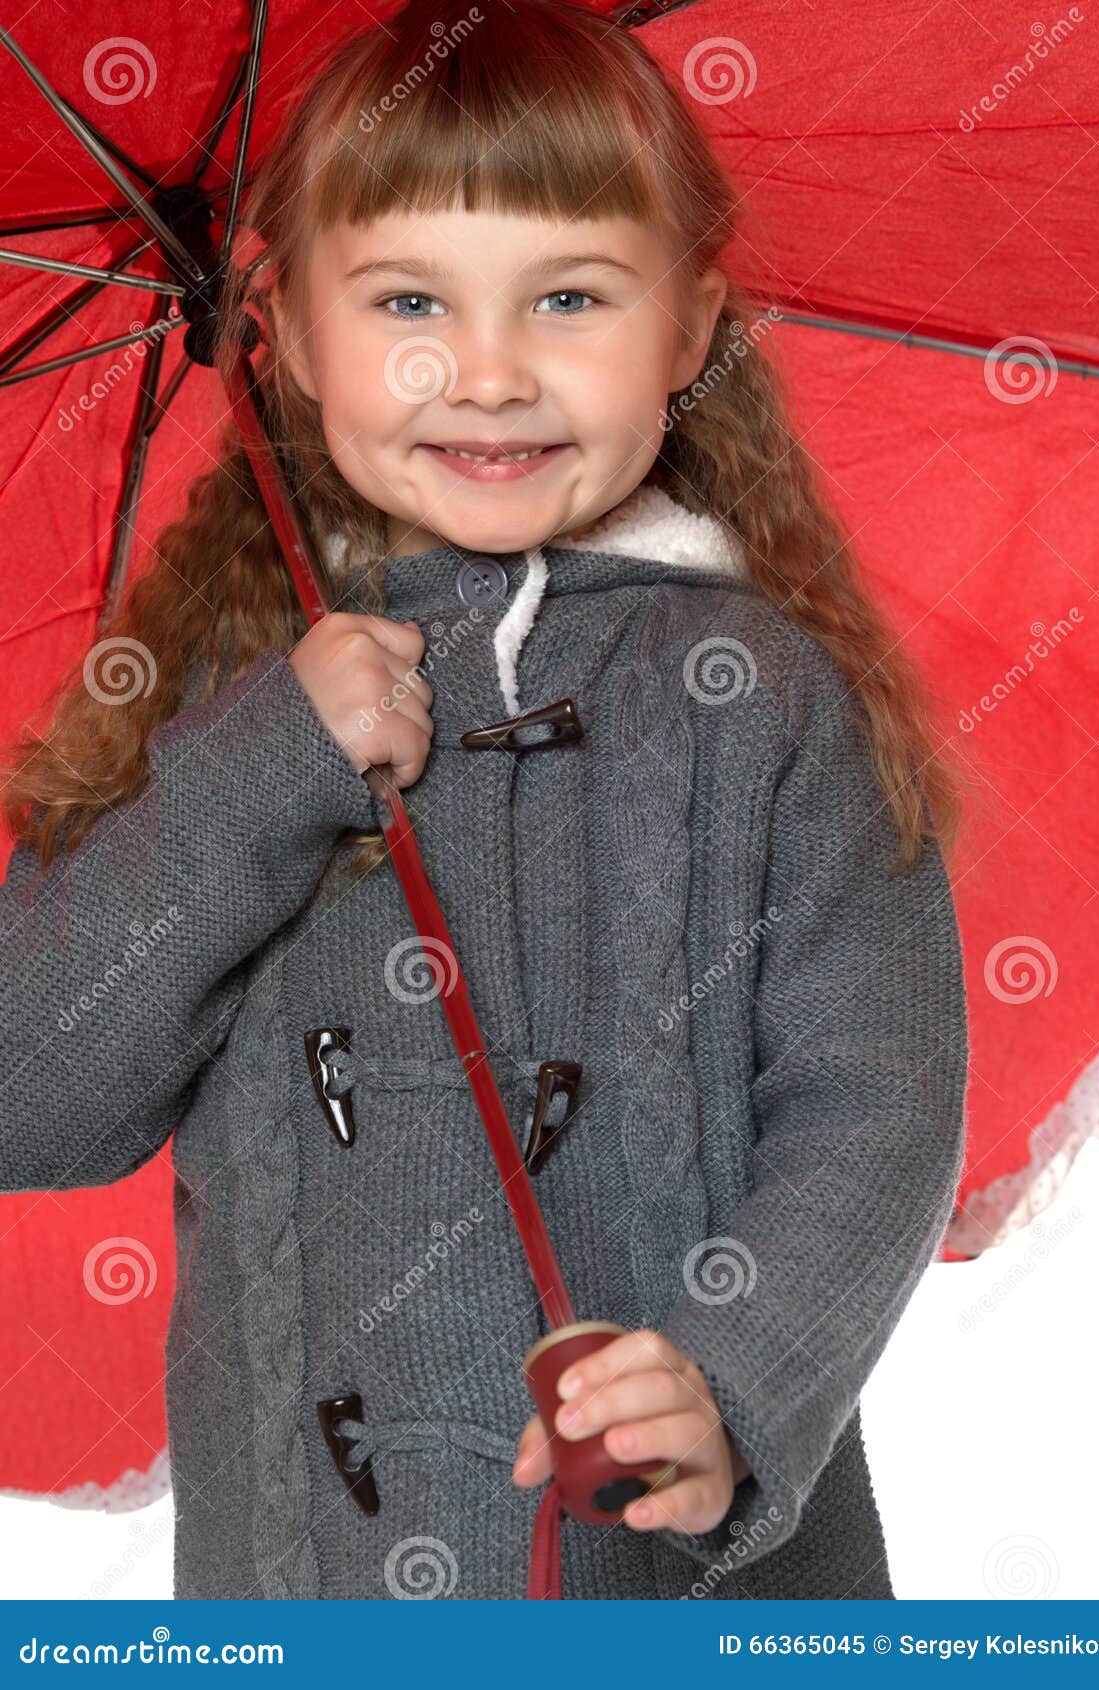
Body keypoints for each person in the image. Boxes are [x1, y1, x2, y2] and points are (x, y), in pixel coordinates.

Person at [0, 0, 969, 1600]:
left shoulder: (770, 699)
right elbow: (29, 1083)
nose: (490, 369)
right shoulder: (217, 704)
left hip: (685, 1596)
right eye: (405, 299)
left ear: (687, 323)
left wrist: (728, 1381)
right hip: (305, 1586)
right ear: (286, 332)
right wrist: (260, 775)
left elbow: (876, 1104)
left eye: (570, 296)